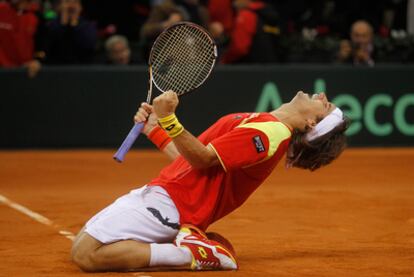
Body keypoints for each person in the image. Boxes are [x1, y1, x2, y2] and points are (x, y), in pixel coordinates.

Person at [71, 90, 349, 272]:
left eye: (325, 105)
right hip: (166, 195)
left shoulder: (270, 133)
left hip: (175, 206)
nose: (322, 95)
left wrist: (169, 118)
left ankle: (188, 254)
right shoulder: (264, 124)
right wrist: (156, 129)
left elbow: (203, 158)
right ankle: (191, 245)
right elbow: (195, 165)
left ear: (313, 123)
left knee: (87, 254)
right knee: (82, 241)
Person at [44, 0, 97, 64]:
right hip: (55, 67)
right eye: (67, 1)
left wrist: (74, 25)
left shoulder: (88, 26)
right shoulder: (51, 25)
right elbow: (49, 47)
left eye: (75, 2)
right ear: (59, 6)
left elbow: (88, 46)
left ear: (80, 7)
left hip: (82, 67)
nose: (71, 5)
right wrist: (63, 24)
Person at [0, 0, 41, 77]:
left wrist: (37, 60)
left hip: (24, 72)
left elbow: (40, 46)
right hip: (2, 72)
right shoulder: (1, 10)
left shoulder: (35, 16)